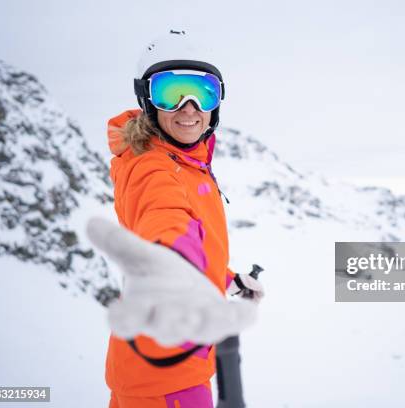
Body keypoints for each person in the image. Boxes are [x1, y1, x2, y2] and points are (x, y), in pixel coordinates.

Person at [103, 29, 264, 408]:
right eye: (171, 94)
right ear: (147, 100)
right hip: (168, 376)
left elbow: (193, 239)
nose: (189, 107)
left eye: (202, 92)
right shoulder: (152, 168)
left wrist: (225, 278)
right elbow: (166, 222)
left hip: (163, 365)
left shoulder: (186, 162)